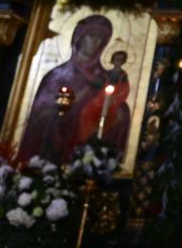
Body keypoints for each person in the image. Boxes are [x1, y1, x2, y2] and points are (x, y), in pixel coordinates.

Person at [17, 16, 131, 164]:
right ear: (79, 37)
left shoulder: (104, 78)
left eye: (100, 38)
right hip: (50, 156)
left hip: (87, 156)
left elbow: (111, 105)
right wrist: (69, 106)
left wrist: (117, 111)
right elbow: (40, 114)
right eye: (92, 35)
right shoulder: (56, 76)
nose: (96, 41)